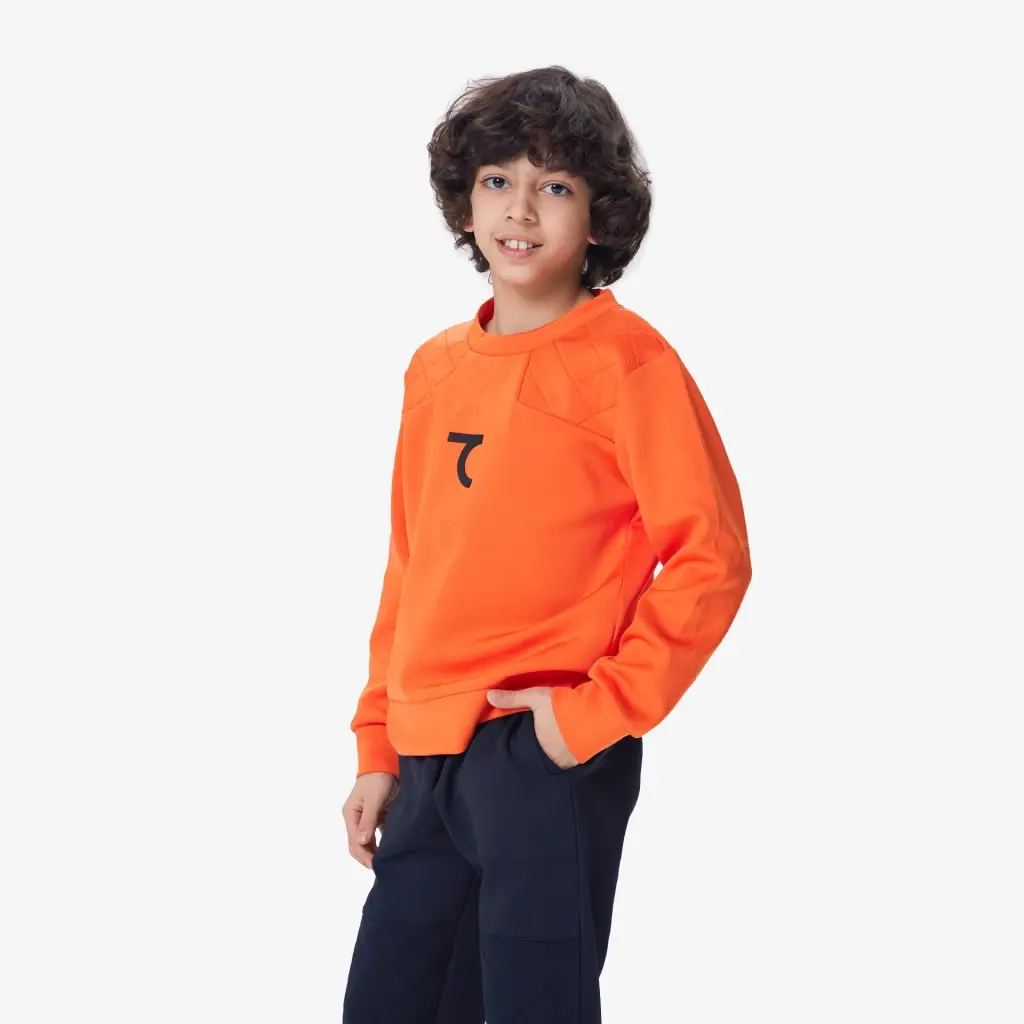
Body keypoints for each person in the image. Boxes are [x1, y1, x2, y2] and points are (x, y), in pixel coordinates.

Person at [341, 65, 752, 1024]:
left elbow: (712, 558)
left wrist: (587, 718)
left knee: (534, 1004)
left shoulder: (629, 363)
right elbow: (412, 566)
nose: (520, 210)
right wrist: (376, 745)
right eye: (497, 180)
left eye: (555, 186)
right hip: (423, 752)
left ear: (598, 217)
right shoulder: (435, 368)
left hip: (542, 756)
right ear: (465, 201)